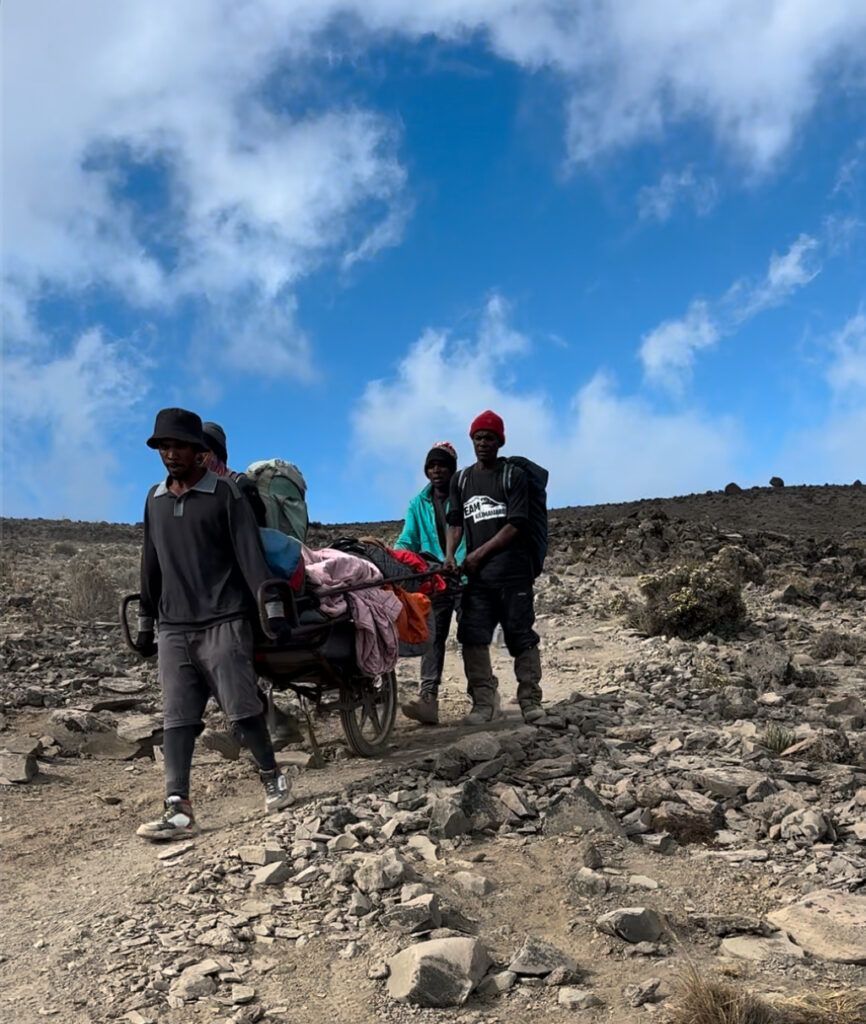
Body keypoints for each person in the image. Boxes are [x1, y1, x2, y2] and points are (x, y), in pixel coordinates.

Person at [133, 407, 294, 842]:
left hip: (224, 619)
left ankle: (272, 777)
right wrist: (147, 619)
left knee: (242, 709)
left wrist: (272, 608)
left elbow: (250, 556)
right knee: (178, 717)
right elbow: (151, 563)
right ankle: (178, 807)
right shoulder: (154, 500)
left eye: (179, 445)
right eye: (163, 446)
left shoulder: (225, 495)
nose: (170, 454)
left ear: (199, 451)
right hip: (174, 625)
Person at [445, 410, 545, 725]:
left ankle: (530, 700)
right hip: (477, 578)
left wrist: (479, 554)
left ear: (500, 442)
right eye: (478, 438)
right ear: (471, 440)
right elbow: (455, 522)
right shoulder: (461, 479)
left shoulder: (512, 476)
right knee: (472, 637)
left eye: (490, 438)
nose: (483, 443)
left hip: (513, 573)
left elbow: (516, 524)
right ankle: (483, 703)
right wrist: (451, 554)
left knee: (520, 635)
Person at [394, 442, 465, 725]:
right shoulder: (417, 504)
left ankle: (483, 697)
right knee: (433, 635)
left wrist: (462, 561)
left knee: (470, 635)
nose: (437, 470)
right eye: (432, 466)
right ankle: (428, 700)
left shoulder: (464, 497)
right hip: (434, 578)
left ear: (452, 469)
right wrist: (393, 556)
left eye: (443, 465)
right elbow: (408, 540)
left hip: (465, 573)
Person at [201, 421, 267, 526]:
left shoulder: (242, 485)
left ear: (217, 454)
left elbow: (258, 531)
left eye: (203, 450)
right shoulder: (194, 490)